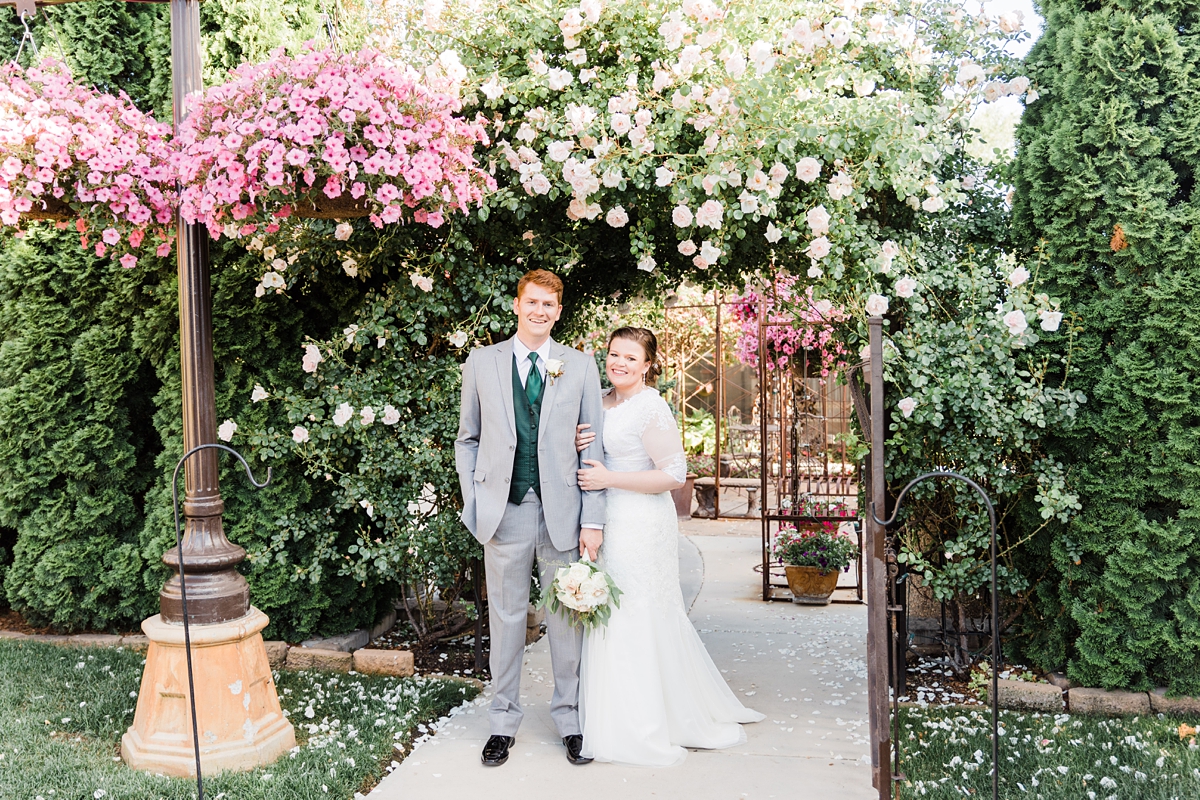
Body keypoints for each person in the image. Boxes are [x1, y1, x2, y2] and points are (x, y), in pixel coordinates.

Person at [573, 327, 764, 766]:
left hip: (640, 521)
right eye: (614, 354)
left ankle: (644, 722)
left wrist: (610, 479)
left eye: (630, 357)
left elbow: (675, 473)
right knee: (610, 614)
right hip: (606, 519)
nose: (619, 362)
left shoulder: (651, 407)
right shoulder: (599, 402)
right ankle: (610, 714)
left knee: (637, 612)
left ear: (647, 365)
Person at [455, 269, 606, 767]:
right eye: (533, 302)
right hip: (505, 512)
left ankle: (570, 719)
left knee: (567, 619)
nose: (540, 311)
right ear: (517, 305)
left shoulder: (580, 366)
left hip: (563, 511)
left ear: (559, 312)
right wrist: (475, 501)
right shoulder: (482, 362)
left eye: (550, 305)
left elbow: (593, 447)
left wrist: (593, 520)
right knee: (506, 618)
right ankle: (502, 722)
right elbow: (468, 438)